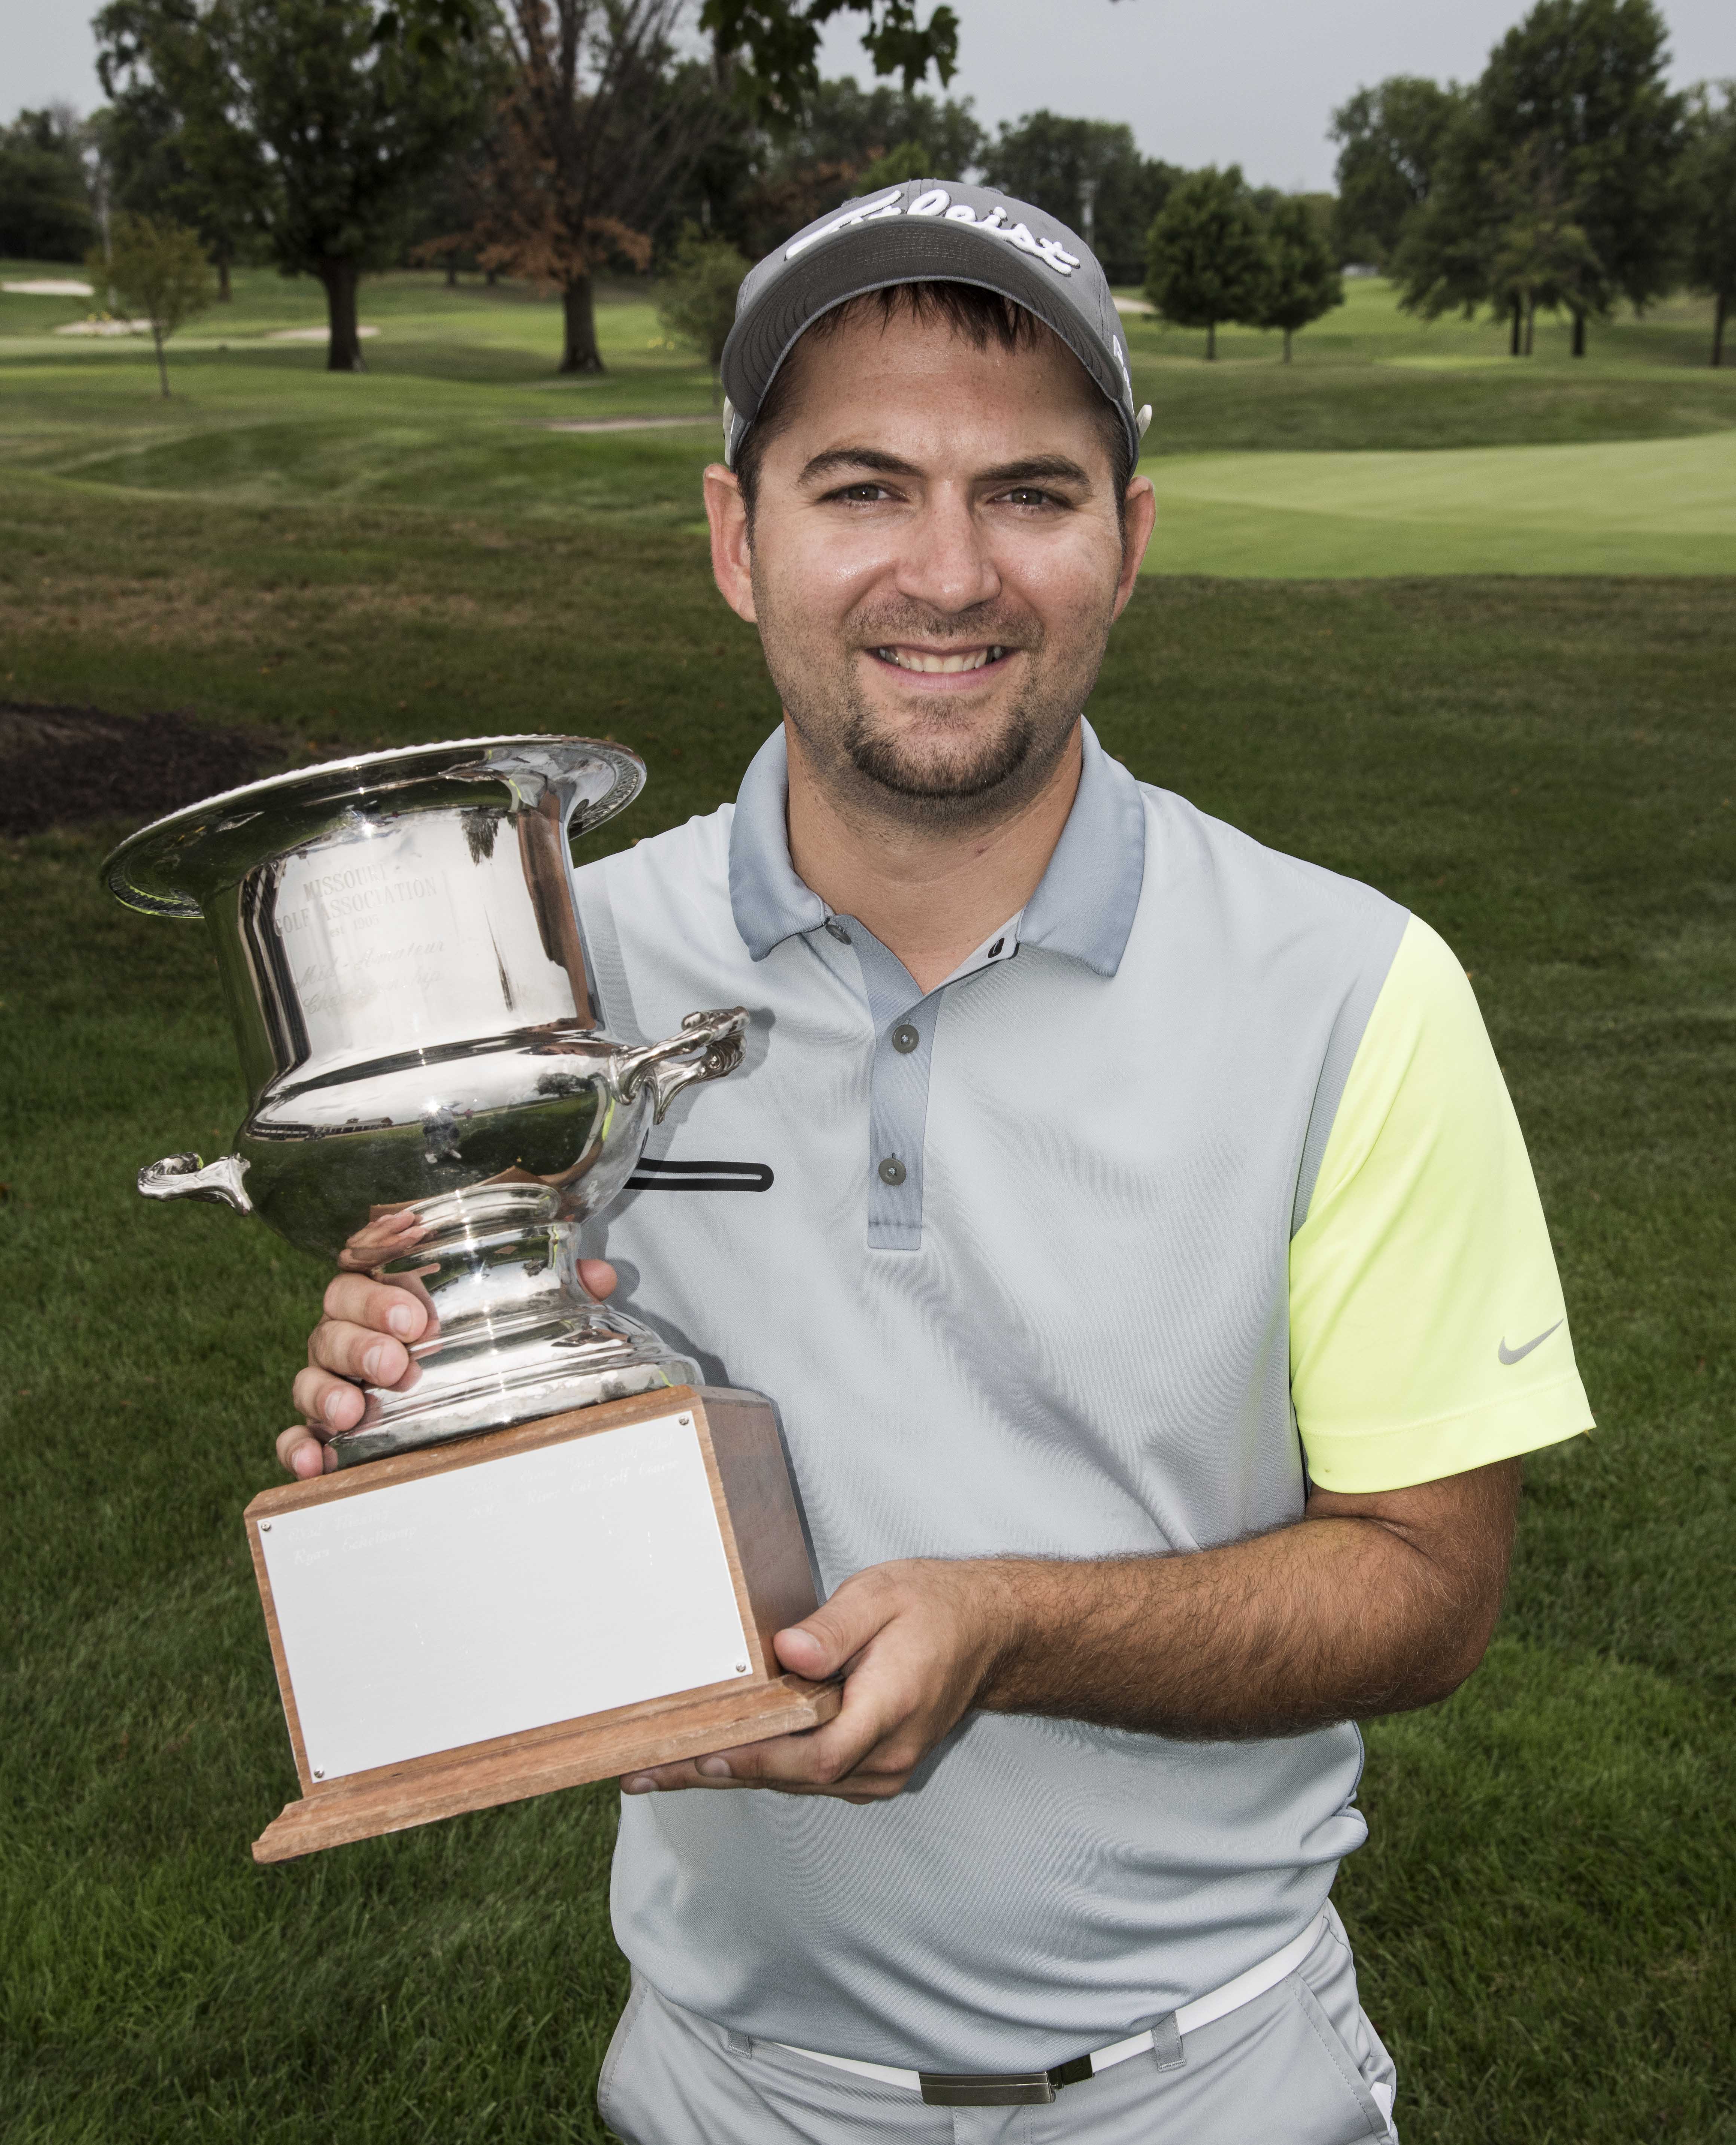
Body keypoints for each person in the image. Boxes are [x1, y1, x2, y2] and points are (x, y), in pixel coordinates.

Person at [280, 181, 1593, 2142]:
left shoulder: (1355, 986)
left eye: (1034, 494)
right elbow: (505, 1445)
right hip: (730, 2088)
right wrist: (407, 1384)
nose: (951, 574)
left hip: (1212, 2081)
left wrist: (1015, 1619)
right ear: (739, 538)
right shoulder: (556, 980)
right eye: (864, 486)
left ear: (1130, 544)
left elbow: (1429, 1583)